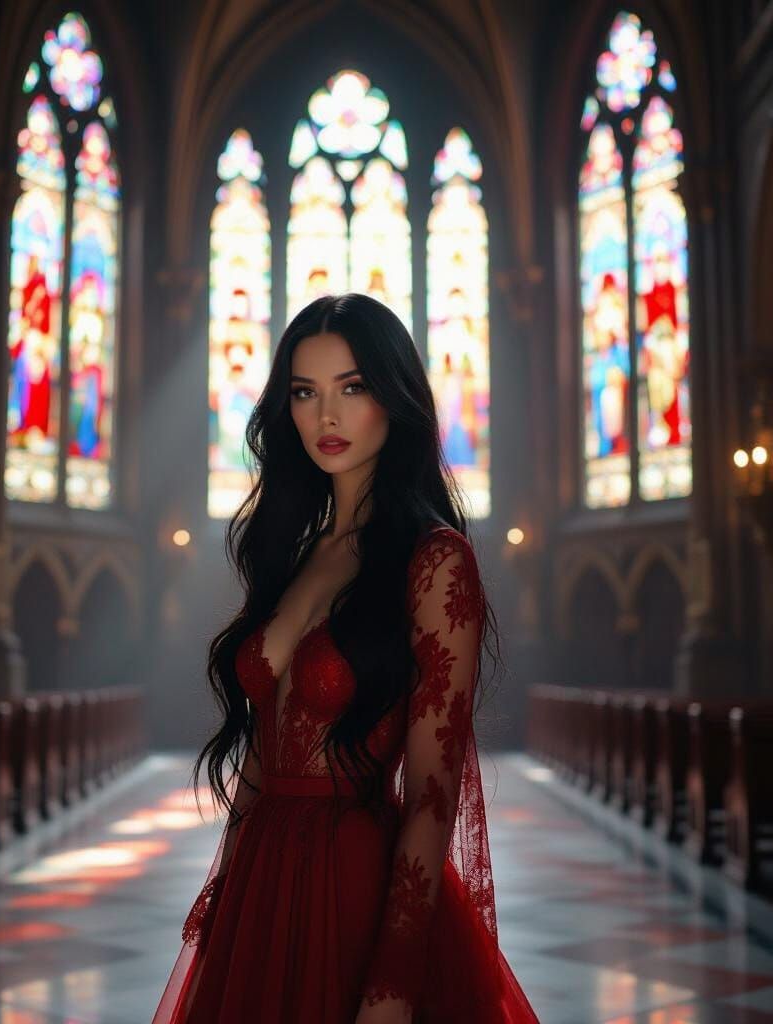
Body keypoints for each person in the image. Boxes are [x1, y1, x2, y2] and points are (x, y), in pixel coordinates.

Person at [151, 293, 539, 1023]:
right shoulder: (296, 554)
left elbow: (432, 794)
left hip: (356, 884)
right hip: (259, 887)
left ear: (394, 397)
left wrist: (393, 983)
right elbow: (262, 753)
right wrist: (225, 896)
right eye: (305, 392)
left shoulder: (435, 562)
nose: (325, 416)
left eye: (351, 387)